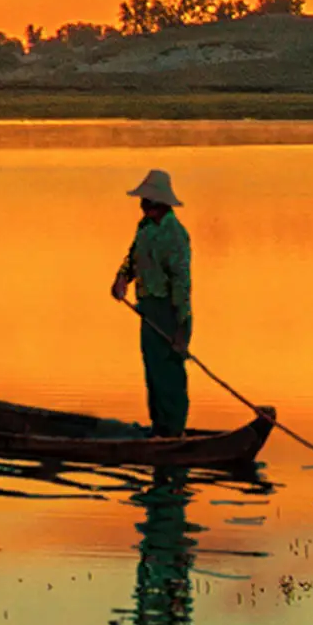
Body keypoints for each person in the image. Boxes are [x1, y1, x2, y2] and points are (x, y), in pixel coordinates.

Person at [112, 165, 199, 435]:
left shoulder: (175, 235)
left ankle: (173, 431)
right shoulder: (146, 228)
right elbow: (133, 257)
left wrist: (182, 328)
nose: (143, 206)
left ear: (160, 203)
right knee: (153, 371)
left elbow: (181, 284)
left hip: (168, 311)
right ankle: (160, 428)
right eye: (143, 202)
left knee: (170, 372)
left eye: (148, 202)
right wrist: (122, 279)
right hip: (148, 309)